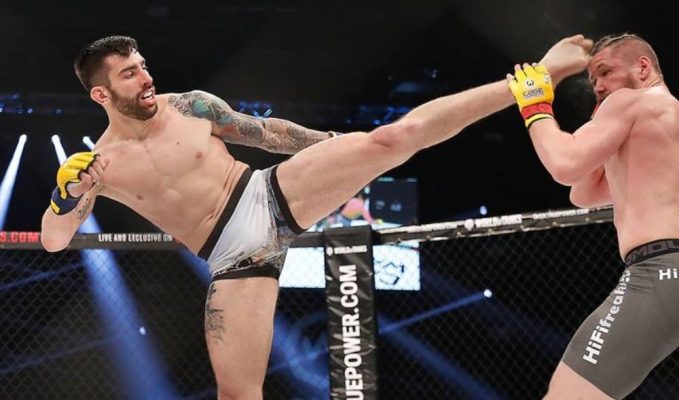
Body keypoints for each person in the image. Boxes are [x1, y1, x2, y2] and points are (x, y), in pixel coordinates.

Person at [40, 34, 592, 399]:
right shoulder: (98, 166)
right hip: (232, 259)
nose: (145, 78)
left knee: (390, 139)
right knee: (238, 394)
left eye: (143, 66)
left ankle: (535, 77)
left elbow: (266, 133)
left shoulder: (190, 106)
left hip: (267, 194)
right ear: (102, 93)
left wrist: (336, 145)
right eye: (130, 74)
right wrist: (67, 197)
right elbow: (54, 240)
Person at [508, 33, 679, 399]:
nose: (598, 86)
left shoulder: (629, 102)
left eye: (605, 72)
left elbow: (565, 165)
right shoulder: (663, 120)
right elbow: (584, 194)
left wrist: (535, 105)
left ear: (643, 67)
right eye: (592, 80)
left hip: (662, 272)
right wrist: (602, 134)